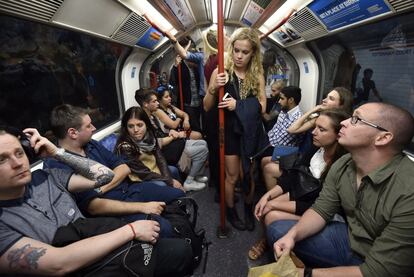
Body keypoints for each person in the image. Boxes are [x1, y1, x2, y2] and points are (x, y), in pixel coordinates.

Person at [0, 127, 192, 276]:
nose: (18, 163)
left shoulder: (48, 176)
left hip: (102, 245)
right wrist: (131, 230)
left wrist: (57, 153)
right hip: (80, 269)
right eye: (2, 159)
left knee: (182, 251)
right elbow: (59, 263)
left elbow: (105, 176)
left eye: (19, 153)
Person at [269, 103, 414, 277]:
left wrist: (305, 274)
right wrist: (292, 235)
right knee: (279, 231)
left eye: (356, 119)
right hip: (349, 240)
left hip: (378, 262)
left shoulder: (408, 191)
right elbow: (321, 210)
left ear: (382, 138)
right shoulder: (344, 164)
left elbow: (378, 271)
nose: (344, 122)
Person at [45, 104, 185, 238]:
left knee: (179, 196)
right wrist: (143, 207)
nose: (93, 128)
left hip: (130, 189)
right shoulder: (58, 166)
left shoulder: (91, 144)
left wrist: (100, 190)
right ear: (73, 133)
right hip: (112, 209)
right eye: (88, 126)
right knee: (163, 228)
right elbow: (94, 206)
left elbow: (124, 168)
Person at [248, 109, 349, 260]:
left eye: (321, 129)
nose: (314, 132)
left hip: (321, 211)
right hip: (304, 195)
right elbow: (294, 175)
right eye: (315, 127)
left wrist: (274, 205)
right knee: (265, 206)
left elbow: (319, 206)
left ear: (337, 135)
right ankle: (271, 241)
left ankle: (282, 253)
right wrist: (267, 196)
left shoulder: (340, 166)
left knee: (270, 215)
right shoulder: (317, 148)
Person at [204, 27, 267, 231]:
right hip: (229, 131)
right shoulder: (221, 71)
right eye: (236, 50)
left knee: (249, 175)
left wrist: (237, 106)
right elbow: (206, 106)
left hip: (250, 132)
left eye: (245, 52)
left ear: (253, 53)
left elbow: (262, 106)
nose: (239, 56)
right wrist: (214, 88)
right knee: (231, 176)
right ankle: (230, 212)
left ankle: (248, 210)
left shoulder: (257, 74)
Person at [136, 88, 209, 192]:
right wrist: (172, 136)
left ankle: (195, 175)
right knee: (202, 150)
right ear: (145, 104)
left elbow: (159, 135)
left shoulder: (152, 116)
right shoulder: (143, 122)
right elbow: (155, 143)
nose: (158, 103)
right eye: (154, 101)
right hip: (164, 151)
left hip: (169, 143)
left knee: (202, 143)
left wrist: (169, 133)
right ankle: (189, 181)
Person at [115, 106, 183, 189]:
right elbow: (142, 172)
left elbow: (160, 158)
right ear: (126, 127)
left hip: (152, 169)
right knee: (162, 185)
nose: (136, 130)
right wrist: (169, 181)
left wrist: (169, 179)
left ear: (146, 125)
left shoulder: (149, 135)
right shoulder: (124, 146)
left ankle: (179, 196)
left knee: (174, 170)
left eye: (140, 125)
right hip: (138, 178)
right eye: (131, 126)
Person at [287, 87, 353, 135]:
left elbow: (292, 130)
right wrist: (314, 110)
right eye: (326, 97)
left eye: (331, 99)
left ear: (341, 106)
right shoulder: (319, 117)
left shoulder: (345, 124)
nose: (324, 100)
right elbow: (291, 129)